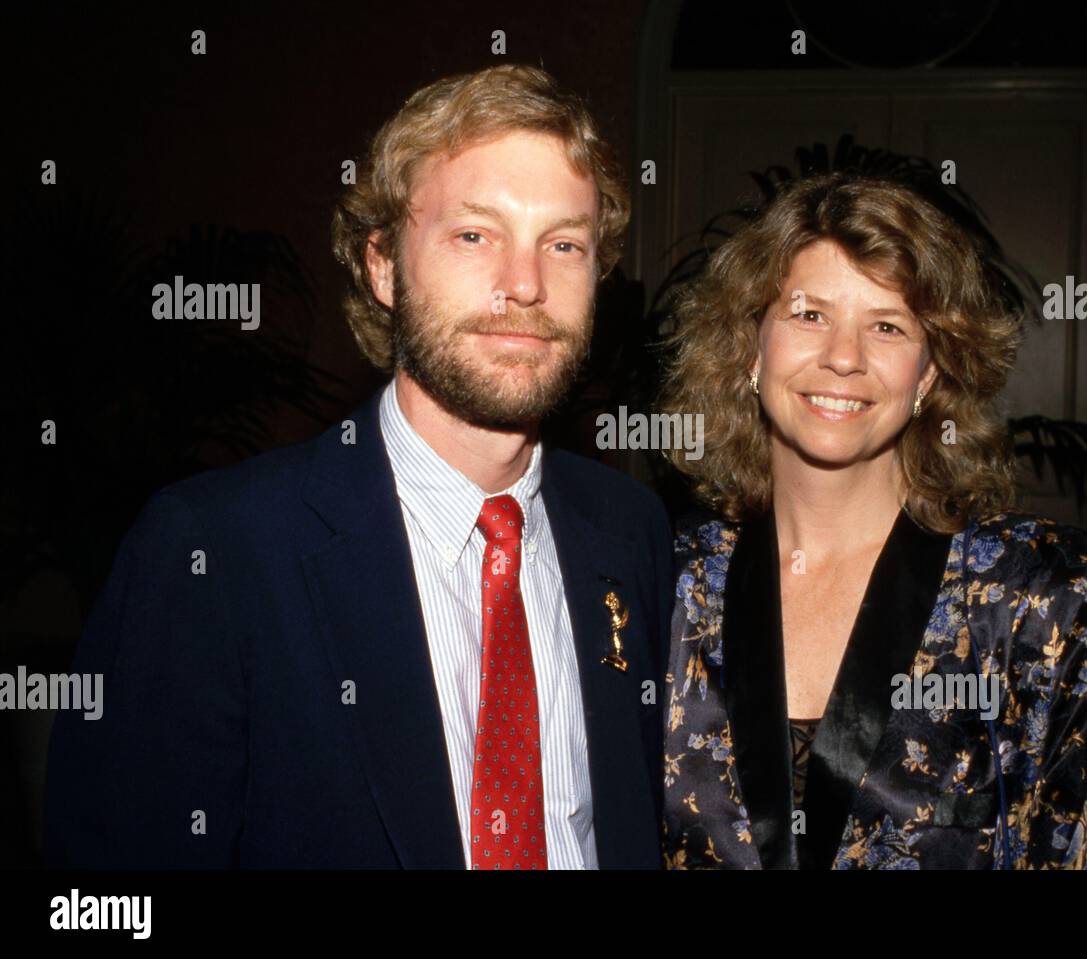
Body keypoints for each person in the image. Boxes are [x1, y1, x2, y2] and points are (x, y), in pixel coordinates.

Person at [42, 65, 672, 869]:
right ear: (382, 265)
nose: (525, 284)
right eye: (473, 235)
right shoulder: (215, 554)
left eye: (564, 244)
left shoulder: (629, 530)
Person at [658, 173, 1087, 869]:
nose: (844, 357)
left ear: (926, 375)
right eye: (808, 314)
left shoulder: (1056, 601)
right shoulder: (662, 582)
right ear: (750, 347)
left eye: (887, 325)